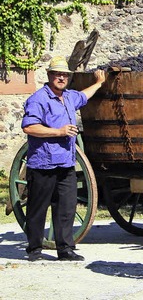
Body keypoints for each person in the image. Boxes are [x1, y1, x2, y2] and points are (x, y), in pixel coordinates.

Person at [21, 57, 106, 262]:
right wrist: (59, 131)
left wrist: (99, 83)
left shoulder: (69, 97)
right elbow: (29, 127)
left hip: (66, 163)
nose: (61, 78)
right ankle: (34, 249)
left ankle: (65, 249)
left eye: (65, 75)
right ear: (49, 76)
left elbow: (84, 96)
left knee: (66, 207)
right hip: (43, 163)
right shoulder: (38, 99)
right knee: (38, 208)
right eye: (57, 74)